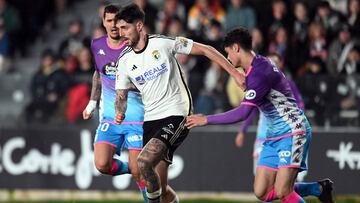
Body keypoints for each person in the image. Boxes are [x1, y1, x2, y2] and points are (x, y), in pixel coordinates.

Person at [186, 27, 335, 203]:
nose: (228, 58)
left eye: (228, 53)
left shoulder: (260, 73)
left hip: (292, 131)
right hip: (273, 136)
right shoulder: (257, 66)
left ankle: (315, 190)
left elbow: (242, 112)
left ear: (236, 48)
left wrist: (206, 119)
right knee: (262, 192)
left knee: (284, 192)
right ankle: (318, 188)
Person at [113, 4, 244, 203]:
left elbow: (206, 49)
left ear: (139, 26)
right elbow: (121, 95)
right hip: (151, 120)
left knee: (143, 162)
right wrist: (119, 111)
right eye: (119, 29)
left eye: (125, 28)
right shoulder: (124, 60)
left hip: (177, 112)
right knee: (162, 189)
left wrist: (234, 72)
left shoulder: (163, 43)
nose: (120, 33)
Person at [81, 4, 147, 202]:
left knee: (139, 169)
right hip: (110, 117)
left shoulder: (134, 46)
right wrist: (92, 103)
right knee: (102, 165)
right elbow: (98, 74)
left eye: (116, 21)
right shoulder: (97, 45)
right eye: (109, 21)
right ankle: (135, 171)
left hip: (136, 117)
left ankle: (146, 189)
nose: (113, 25)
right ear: (103, 22)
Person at [235, 53, 306, 179]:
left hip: (286, 134)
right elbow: (251, 109)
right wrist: (242, 131)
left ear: (280, 64)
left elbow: (300, 105)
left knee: (287, 179)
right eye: (270, 61)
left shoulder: (288, 84)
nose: (272, 64)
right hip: (264, 136)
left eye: (275, 62)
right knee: (261, 178)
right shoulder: (259, 84)